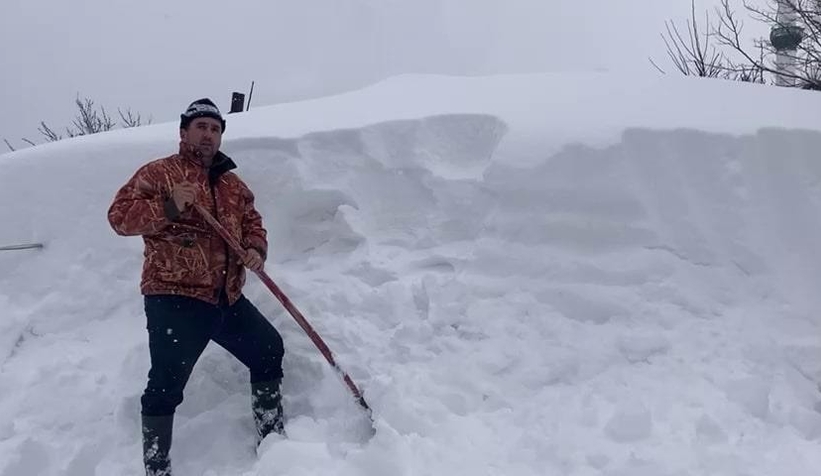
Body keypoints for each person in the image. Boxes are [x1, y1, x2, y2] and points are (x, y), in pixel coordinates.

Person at [107, 98, 285, 476]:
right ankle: (157, 466)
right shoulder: (159, 174)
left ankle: (273, 443)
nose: (208, 134)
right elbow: (119, 218)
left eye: (215, 128)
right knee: (166, 384)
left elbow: (253, 222)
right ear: (184, 132)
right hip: (175, 297)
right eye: (201, 126)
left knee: (268, 349)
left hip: (227, 297)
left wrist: (255, 249)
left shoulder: (233, 185)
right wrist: (169, 206)